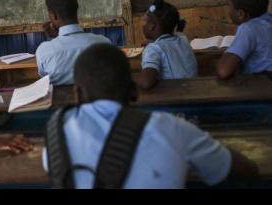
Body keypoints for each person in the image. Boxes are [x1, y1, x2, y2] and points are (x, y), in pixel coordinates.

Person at [43, 43, 258, 189]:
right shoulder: (171, 129)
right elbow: (246, 170)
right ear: (133, 91)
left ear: (77, 94)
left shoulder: (54, 139)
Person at [35, 0, 111, 85]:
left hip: (60, 100)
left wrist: (58, 38)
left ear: (53, 15)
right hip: (96, 98)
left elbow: (45, 81)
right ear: (76, 9)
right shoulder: (104, 43)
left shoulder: (44, 51)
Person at [135, 0, 197, 90]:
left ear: (153, 25)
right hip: (193, 92)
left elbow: (145, 83)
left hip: (175, 100)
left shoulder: (153, 49)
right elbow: (168, 40)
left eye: (146, 20)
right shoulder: (183, 39)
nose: (143, 25)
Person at [217, 0, 272, 79]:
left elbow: (224, 71)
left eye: (229, 6)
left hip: (263, 86)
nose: (228, 11)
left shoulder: (249, 28)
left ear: (241, 14)